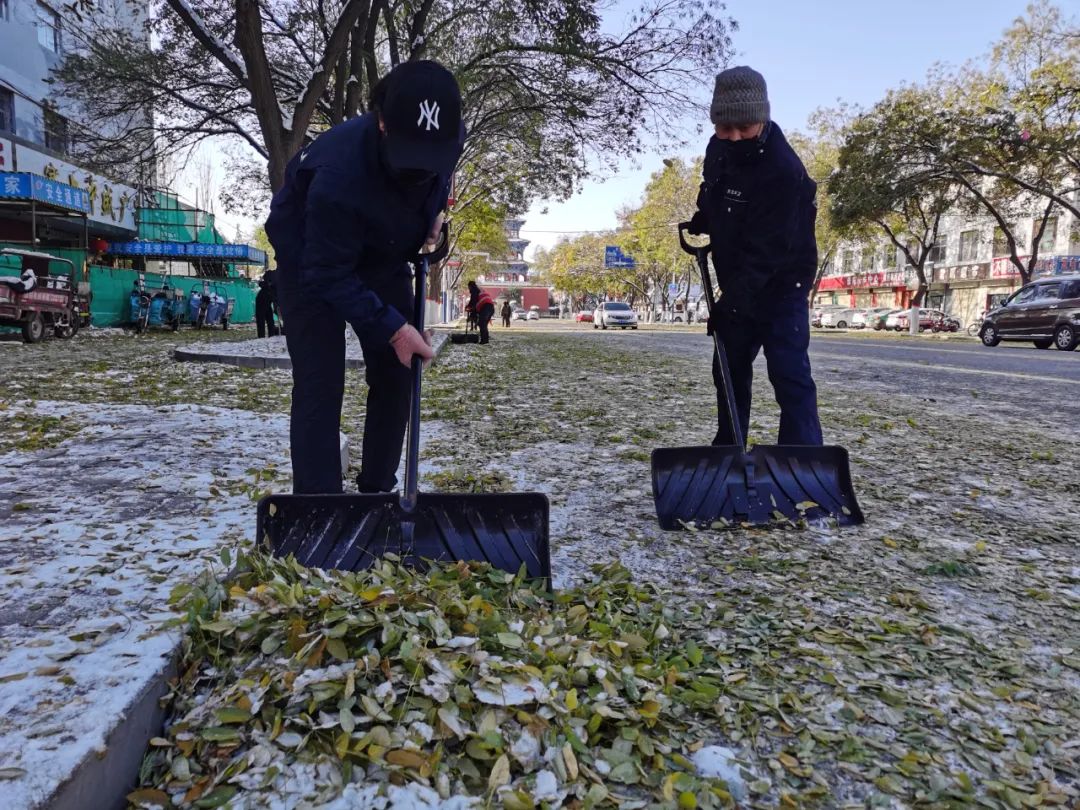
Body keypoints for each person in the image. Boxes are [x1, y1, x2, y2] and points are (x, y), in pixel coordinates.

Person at [265, 60, 465, 494]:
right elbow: (326, 273)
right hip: (310, 260)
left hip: (382, 255)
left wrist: (433, 215)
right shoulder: (338, 174)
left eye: (431, 157)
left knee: (398, 371)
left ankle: (378, 493)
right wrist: (393, 329)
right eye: (411, 155)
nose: (421, 168)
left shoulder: (447, 133)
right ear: (382, 123)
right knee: (321, 382)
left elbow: (439, 179)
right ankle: (320, 506)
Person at [687, 66, 823, 447]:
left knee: (789, 375)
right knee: (728, 370)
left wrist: (730, 306)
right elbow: (714, 189)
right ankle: (730, 450)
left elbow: (768, 252)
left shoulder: (784, 171)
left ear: (762, 119)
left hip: (782, 284)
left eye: (743, 128)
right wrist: (706, 215)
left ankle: (802, 458)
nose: (733, 137)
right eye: (724, 128)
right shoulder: (718, 149)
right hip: (739, 278)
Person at [254, 271, 279, 338]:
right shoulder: (269, 286)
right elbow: (275, 300)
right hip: (261, 302)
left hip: (267, 303)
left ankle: (271, 335)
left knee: (270, 320)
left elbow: (275, 300)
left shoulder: (274, 287)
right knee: (261, 321)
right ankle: (262, 337)